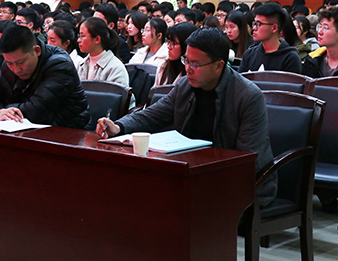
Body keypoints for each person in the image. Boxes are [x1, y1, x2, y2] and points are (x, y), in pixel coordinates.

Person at [96, 28, 277, 207]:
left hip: (239, 184)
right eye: (186, 61)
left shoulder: (247, 96)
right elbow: (152, 115)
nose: (188, 69)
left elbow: (248, 158)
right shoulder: (185, 86)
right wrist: (118, 127)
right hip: (192, 173)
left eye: (195, 64)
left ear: (218, 65)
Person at [0, 24, 90, 130]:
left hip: (70, 132)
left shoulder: (60, 65)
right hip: (30, 131)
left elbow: (35, 110)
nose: (16, 69)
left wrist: (7, 110)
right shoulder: (8, 66)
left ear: (37, 51)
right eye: (10, 63)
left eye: (21, 62)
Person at [239, 3, 302, 74]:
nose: (254, 28)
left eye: (259, 24)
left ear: (274, 28)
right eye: (254, 23)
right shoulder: (249, 54)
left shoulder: (290, 58)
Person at [76, 17, 128, 88]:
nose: (79, 40)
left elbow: (120, 93)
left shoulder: (115, 68)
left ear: (97, 39)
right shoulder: (80, 64)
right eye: (79, 36)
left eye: (82, 36)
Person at [154, 22, 197, 86]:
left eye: (174, 43)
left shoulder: (194, 72)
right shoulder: (163, 67)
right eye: (168, 42)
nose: (169, 47)